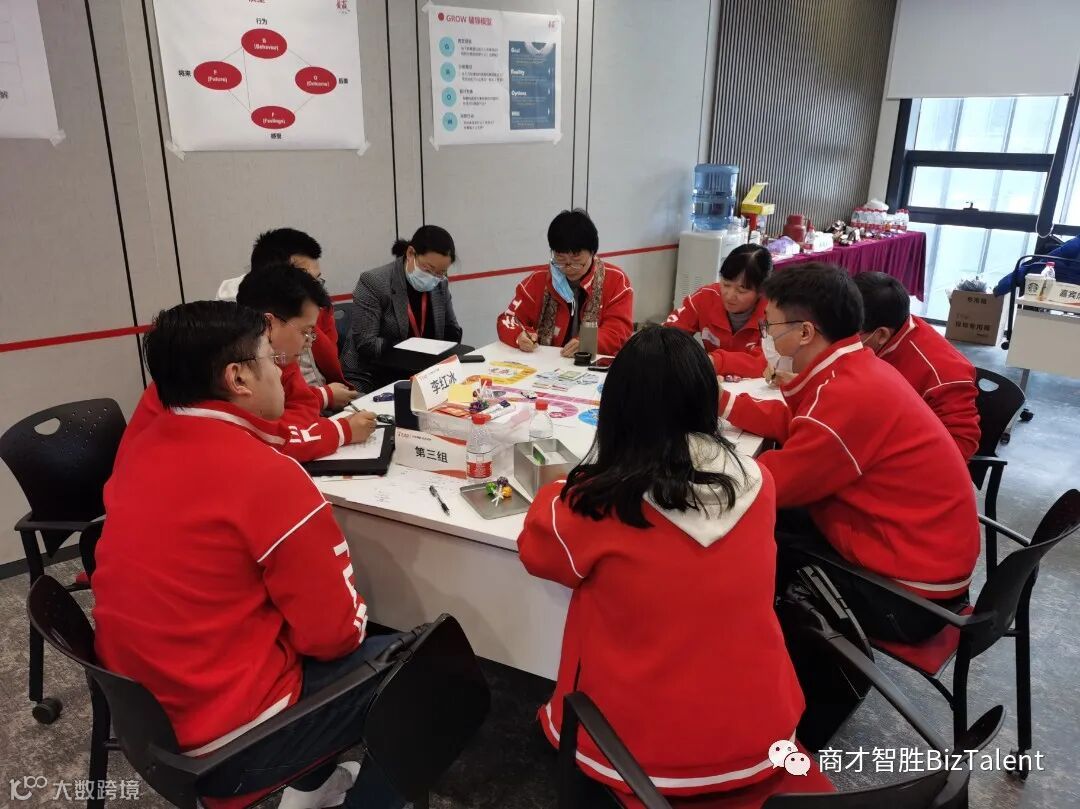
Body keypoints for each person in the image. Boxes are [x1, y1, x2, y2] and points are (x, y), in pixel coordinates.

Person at [93, 301, 406, 809]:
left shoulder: (141, 450)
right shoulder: (265, 476)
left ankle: (311, 793)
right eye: (272, 359)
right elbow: (334, 637)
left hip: (150, 727)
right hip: (230, 749)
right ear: (238, 378)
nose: (283, 372)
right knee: (420, 671)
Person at [518, 326, 804, 800]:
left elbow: (536, 552)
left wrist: (570, 485)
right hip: (765, 734)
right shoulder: (759, 479)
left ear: (617, 409)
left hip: (638, 756)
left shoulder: (596, 503)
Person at [719, 264, 980, 644]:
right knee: (778, 523)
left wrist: (692, 462)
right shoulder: (857, 368)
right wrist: (722, 401)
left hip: (907, 596)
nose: (766, 336)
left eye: (769, 326)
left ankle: (768, 668)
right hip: (927, 560)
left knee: (746, 541)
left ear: (805, 332)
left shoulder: (846, 395)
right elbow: (800, 423)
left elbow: (765, 484)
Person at [116, 262, 376, 468]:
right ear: (269, 323)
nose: (309, 342)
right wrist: (340, 431)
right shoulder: (219, 365)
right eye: (305, 332)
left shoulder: (274, 356)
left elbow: (300, 408)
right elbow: (266, 441)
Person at [220, 227, 355, 411]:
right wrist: (324, 397)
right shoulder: (244, 333)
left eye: (317, 280)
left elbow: (329, 360)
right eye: (306, 279)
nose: (314, 288)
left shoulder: (313, 308)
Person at [854, 272, 980, 461]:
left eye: (848, 333)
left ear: (881, 335)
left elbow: (960, 445)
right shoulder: (888, 321)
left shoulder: (941, 372)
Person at [341, 226, 463, 392]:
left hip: (424, 372)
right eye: (428, 269)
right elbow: (366, 343)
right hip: (375, 373)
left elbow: (452, 329)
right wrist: (409, 347)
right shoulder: (374, 282)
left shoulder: (440, 283)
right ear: (411, 253)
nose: (434, 277)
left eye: (441, 272)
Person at [497, 209, 633, 357]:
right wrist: (519, 336)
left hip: (595, 363)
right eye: (560, 258)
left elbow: (619, 331)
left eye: (576, 259)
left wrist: (587, 343)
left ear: (592, 252)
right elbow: (508, 319)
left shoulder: (615, 280)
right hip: (547, 363)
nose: (568, 267)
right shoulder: (539, 280)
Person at [665, 244, 772, 378]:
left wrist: (715, 361)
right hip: (714, 380)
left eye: (741, 290)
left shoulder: (774, 313)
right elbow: (667, 335)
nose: (729, 295)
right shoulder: (706, 297)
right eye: (726, 284)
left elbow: (766, 363)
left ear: (761, 291)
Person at [992, 233, 1080, 296]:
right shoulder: (1075, 244)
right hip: (1069, 289)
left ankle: (998, 289)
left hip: (1059, 282)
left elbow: (1046, 260)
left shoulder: (1075, 244)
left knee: (1028, 270)